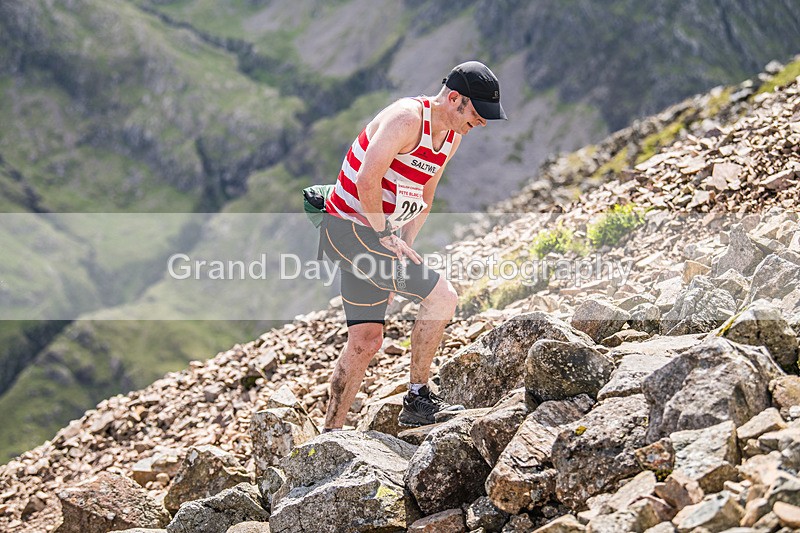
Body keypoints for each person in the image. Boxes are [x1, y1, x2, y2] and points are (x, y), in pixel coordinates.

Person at [319, 61, 507, 431]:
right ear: (454, 99)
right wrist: (385, 237)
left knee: (365, 341)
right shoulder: (406, 119)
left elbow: (423, 196)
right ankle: (417, 397)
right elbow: (366, 178)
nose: (482, 122)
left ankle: (330, 432)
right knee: (442, 298)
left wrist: (403, 248)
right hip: (348, 229)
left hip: (374, 235)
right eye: (478, 112)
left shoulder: (450, 138)